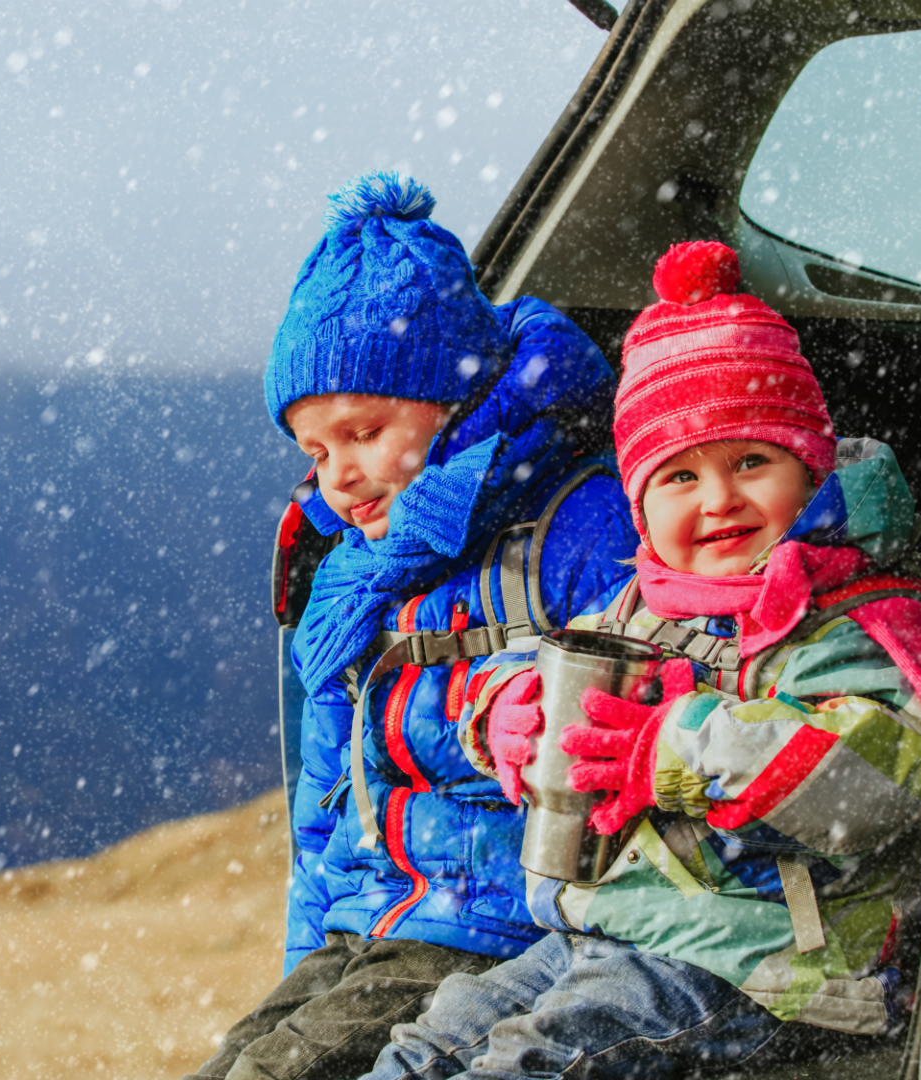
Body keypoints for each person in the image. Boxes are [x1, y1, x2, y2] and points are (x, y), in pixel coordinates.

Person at [355, 240, 921, 1080]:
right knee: (437, 1036)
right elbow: (539, 674)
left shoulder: (846, 619)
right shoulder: (639, 606)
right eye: (678, 477)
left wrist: (672, 747)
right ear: (639, 500)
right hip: (608, 927)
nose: (718, 498)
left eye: (751, 462)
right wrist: (503, 720)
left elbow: (881, 781)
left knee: (538, 1060)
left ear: (808, 472)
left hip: (764, 960)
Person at [184, 174, 639, 1080]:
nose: (338, 476)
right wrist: (304, 960)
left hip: (491, 928)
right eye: (315, 452)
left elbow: (650, 687)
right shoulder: (355, 585)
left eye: (363, 431)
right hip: (370, 924)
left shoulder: (575, 527)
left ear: (451, 397)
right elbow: (324, 815)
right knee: (240, 1059)